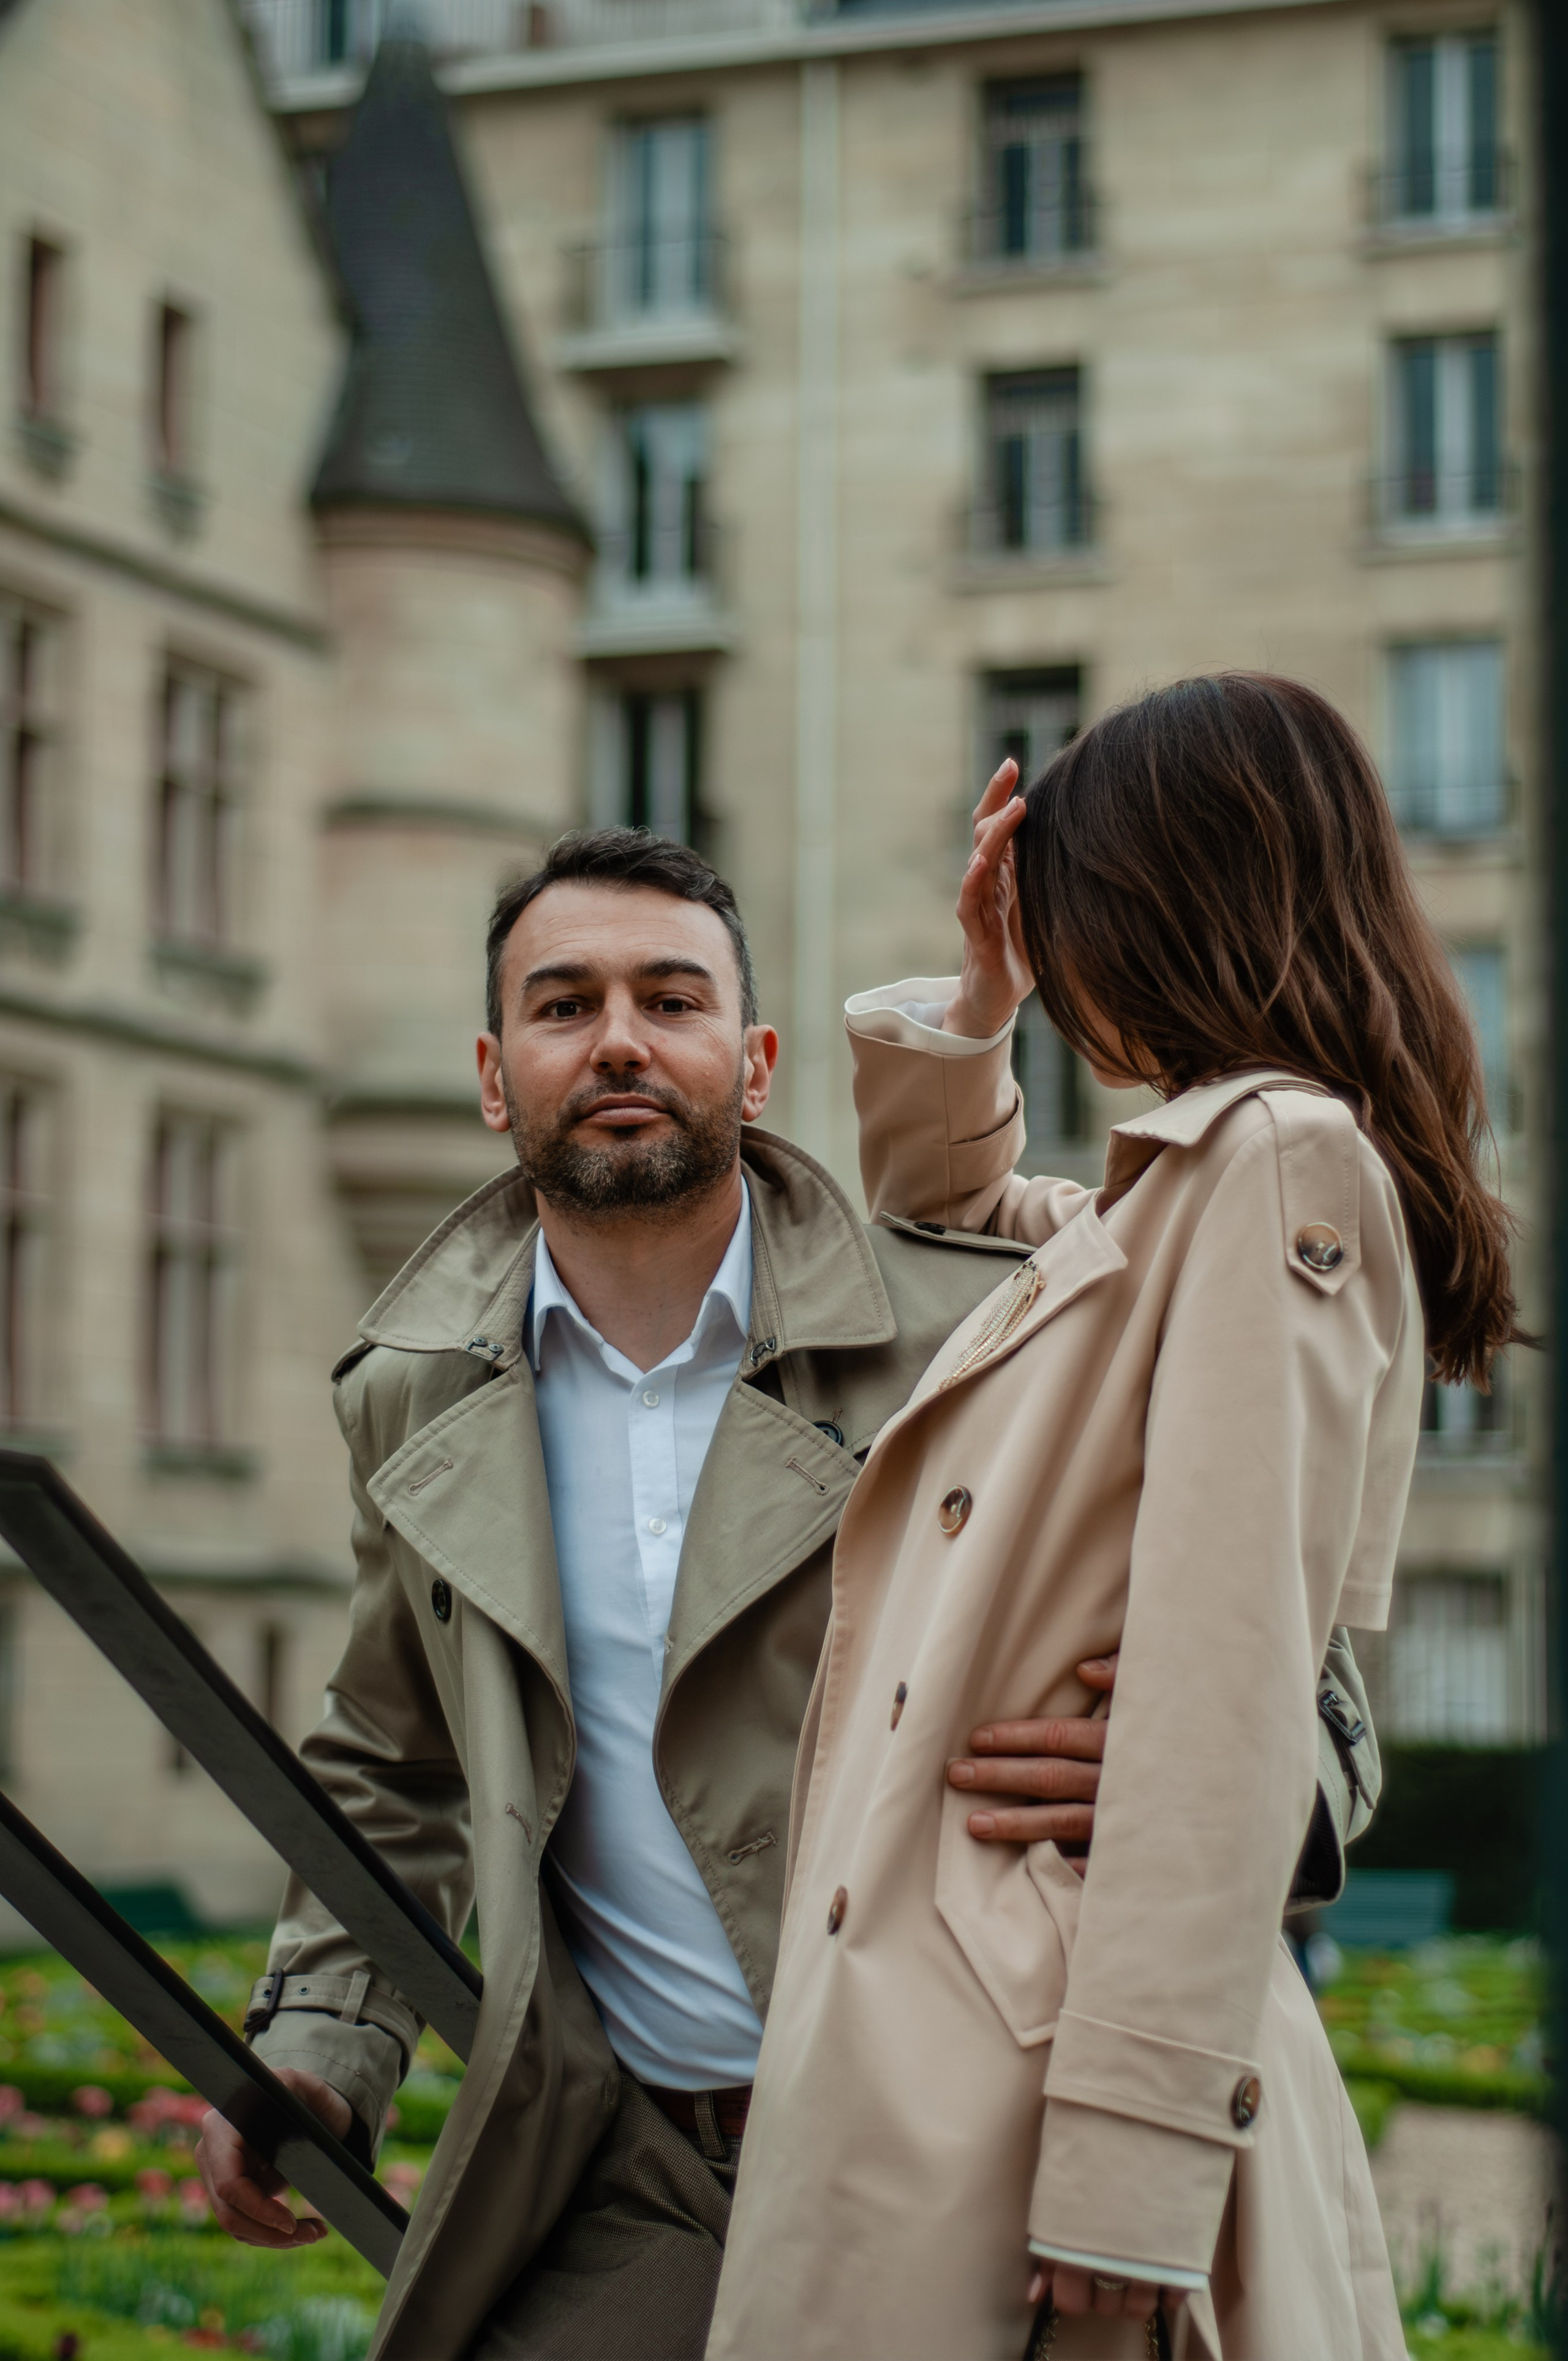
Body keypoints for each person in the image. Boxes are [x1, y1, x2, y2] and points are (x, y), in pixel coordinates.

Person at [194, 828, 1376, 2361]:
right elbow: (395, 1758)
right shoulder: (407, 1397)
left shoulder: (983, 1314)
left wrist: (1218, 1785)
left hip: (964, 2140)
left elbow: (1304, 1660)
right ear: (494, 1078)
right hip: (630, 2171)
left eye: (669, 998)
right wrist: (320, 2046)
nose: (618, 1037)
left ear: (751, 1063)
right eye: (563, 1006)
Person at [707, 675, 1520, 2361]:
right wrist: (983, 996)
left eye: (1071, 918)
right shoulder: (1181, 1190)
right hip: (986, 2030)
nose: (1066, 970)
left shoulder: (1272, 1161)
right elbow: (949, 1220)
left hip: (1042, 2058)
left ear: (1161, 897)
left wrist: (1129, 2176)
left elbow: (1232, 1682)